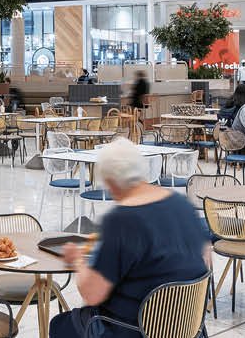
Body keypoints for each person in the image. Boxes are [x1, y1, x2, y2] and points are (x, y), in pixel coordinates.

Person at [49, 139, 211, 338]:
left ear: (110, 182)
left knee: (60, 325)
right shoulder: (181, 204)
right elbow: (206, 260)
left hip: (136, 329)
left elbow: (92, 294)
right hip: (188, 328)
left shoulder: (121, 220)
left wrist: (78, 261)